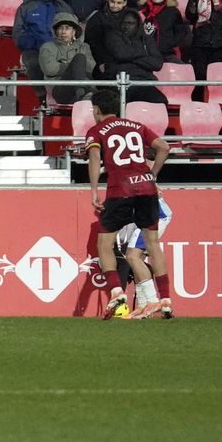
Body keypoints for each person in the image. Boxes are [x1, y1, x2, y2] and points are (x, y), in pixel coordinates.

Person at [85, 87, 170, 319]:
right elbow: (164, 147)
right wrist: (153, 174)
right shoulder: (136, 126)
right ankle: (165, 299)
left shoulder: (96, 130)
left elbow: (94, 158)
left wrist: (94, 190)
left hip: (120, 189)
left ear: (97, 109)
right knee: (152, 244)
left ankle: (117, 292)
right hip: (146, 187)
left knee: (105, 243)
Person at [13, 0, 71, 98]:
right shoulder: (25, 8)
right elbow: (18, 33)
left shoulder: (61, 7)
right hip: (34, 49)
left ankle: (64, 96)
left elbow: (72, 28)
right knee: (33, 62)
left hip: (58, 47)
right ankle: (42, 96)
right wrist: (35, 43)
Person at [116, 196, 173, 319]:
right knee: (137, 258)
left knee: (132, 256)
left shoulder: (131, 182)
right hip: (152, 216)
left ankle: (152, 301)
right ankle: (143, 305)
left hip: (154, 217)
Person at [103, 7, 167, 104]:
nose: (126, 27)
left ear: (138, 25)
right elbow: (121, 53)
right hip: (120, 83)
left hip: (144, 83)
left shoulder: (147, 40)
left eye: (130, 23)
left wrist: (129, 57)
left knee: (161, 101)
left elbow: (157, 64)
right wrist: (144, 54)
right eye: (124, 23)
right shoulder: (112, 36)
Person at [38, 11, 95, 105]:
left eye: (67, 28)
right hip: (61, 89)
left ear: (74, 31)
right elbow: (50, 69)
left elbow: (92, 68)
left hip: (88, 86)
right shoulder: (47, 47)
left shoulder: (84, 47)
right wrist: (74, 65)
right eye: (60, 28)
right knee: (80, 58)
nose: (63, 31)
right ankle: (81, 95)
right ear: (56, 31)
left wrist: (70, 64)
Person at [138, 0, 188, 64]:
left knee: (181, 70)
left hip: (167, 54)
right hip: (147, 54)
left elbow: (181, 32)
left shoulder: (173, 11)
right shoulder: (143, 11)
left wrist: (170, 44)